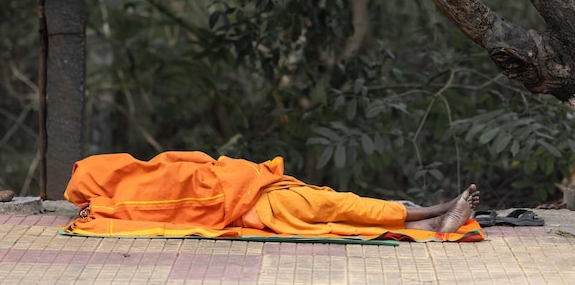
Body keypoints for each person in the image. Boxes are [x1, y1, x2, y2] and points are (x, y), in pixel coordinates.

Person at [62, 151, 481, 240]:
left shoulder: (144, 176)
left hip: (254, 189)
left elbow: (198, 161)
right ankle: (435, 214)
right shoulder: (123, 200)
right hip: (253, 201)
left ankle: (431, 218)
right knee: (335, 211)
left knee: (334, 212)